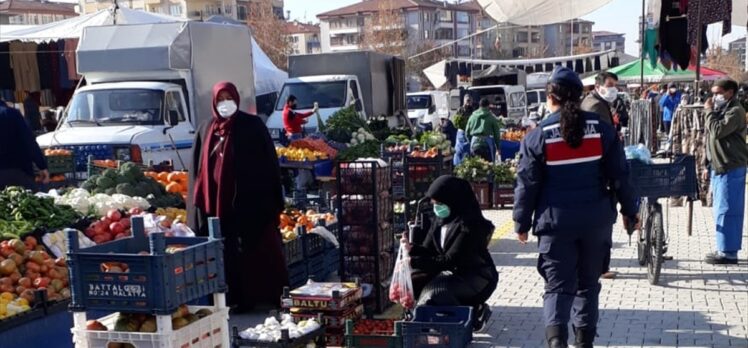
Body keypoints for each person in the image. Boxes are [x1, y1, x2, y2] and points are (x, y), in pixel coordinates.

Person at [513, 67, 638, 348]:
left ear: (550, 97)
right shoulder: (602, 130)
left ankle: (557, 343)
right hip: (596, 222)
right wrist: (631, 210)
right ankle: (584, 343)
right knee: (588, 285)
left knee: (557, 288)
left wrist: (521, 223)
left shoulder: (538, 136)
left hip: (555, 225)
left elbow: (527, 184)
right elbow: (620, 175)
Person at [188, 81, 287, 312]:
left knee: (255, 252)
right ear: (213, 102)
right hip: (216, 208)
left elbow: (269, 164)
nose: (225, 104)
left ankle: (261, 298)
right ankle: (231, 299)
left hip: (250, 205)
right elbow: (196, 171)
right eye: (220, 99)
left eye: (228, 98)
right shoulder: (206, 128)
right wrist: (195, 210)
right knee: (226, 254)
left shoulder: (252, 126)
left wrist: (272, 199)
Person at [401, 175, 498, 331]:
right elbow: (429, 250)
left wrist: (414, 262)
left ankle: (472, 312)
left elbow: (450, 260)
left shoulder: (471, 226)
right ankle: (425, 317)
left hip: (477, 278)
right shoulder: (440, 221)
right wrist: (411, 249)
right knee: (412, 283)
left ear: (454, 200)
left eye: (439, 203)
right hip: (452, 273)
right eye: (434, 203)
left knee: (436, 293)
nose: (436, 208)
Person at [702, 78, 748, 265]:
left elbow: (717, 131)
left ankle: (729, 253)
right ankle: (724, 247)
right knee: (721, 209)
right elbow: (710, 140)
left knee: (729, 210)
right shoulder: (724, 109)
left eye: (718, 93)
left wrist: (708, 111)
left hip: (731, 166)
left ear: (730, 92)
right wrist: (708, 164)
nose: (714, 97)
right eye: (713, 93)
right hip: (719, 166)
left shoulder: (736, 111)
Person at [0, 102, 49, 190]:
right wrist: (42, 165)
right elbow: (29, 141)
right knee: (30, 200)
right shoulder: (11, 114)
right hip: (18, 172)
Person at [465, 98, 501, 162]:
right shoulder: (491, 117)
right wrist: (498, 147)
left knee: (475, 166)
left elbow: (467, 132)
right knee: (488, 166)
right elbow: (496, 133)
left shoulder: (472, 116)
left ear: (479, 105)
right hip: (486, 144)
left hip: (474, 143)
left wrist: (470, 141)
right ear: (488, 106)